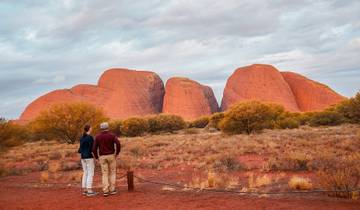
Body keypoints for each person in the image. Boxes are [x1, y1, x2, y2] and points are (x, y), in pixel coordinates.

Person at [92, 122, 121, 197]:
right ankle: (112, 190)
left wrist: (96, 157)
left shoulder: (98, 137)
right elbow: (118, 144)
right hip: (111, 156)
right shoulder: (112, 135)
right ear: (108, 127)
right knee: (112, 172)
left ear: (101, 128)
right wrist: (117, 153)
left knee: (104, 174)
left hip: (102, 157)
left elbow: (94, 148)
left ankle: (105, 190)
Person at [78, 124, 96, 196]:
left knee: (85, 172)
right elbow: (93, 149)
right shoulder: (90, 137)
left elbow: (80, 149)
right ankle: (89, 190)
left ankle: (85, 189)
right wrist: (96, 157)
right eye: (91, 127)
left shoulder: (82, 137)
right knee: (90, 173)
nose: (92, 128)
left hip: (83, 157)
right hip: (89, 157)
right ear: (89, 129)